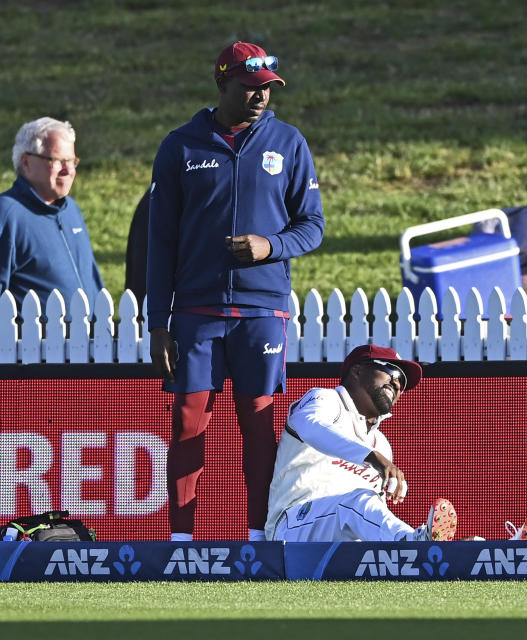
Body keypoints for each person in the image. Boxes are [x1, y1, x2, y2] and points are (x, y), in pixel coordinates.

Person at [147, 41, 325, 542]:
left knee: (258, 429)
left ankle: (259, 537)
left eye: (267, 88)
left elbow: (312, 226)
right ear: (221, 84)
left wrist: (269, 246)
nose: (260, 97)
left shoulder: (289, 143)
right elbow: (159, 243)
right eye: (249, 88)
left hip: (263, 311)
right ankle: (181, 541)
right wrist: (158, 322)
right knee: (187, 426)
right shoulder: (180, 145)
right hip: (196, 312)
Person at [265, 344, 460, 542]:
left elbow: (373, 518)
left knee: (364, 506)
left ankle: (440, 550)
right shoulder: (326, 399)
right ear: (357, 371)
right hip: (292, 527)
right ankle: (412, 545)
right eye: (391, 371)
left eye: (402, 382)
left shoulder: (381, 444)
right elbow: (311, 427)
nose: (397, 384)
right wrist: (371, 456)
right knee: (356, 503)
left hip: (340, 544)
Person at [0, 117, 104, 319]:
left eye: (72, 161)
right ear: (26, 162)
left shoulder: (71, 211)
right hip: (33, 348)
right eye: (58, 161)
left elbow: (92, 280)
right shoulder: (4, 215)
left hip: (90, 346)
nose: (68, 170)